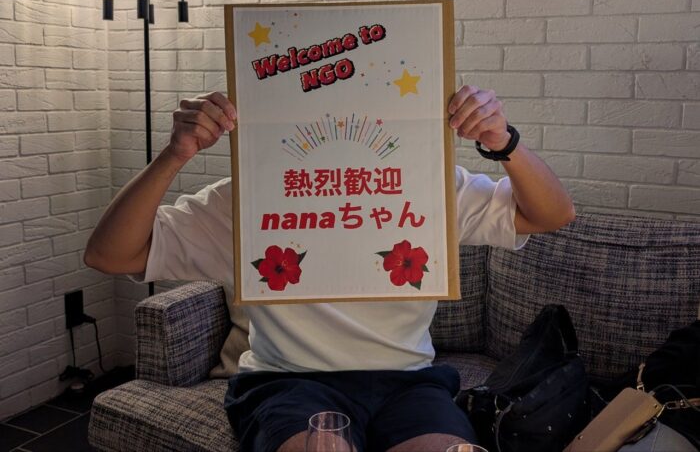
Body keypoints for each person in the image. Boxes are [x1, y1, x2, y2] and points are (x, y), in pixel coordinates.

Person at [85, 85, 575, 452]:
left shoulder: (432, 186)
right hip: (288, 381)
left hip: (408, 381)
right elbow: (110, 255)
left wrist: (503, 141)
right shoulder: (246, 198)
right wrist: (175, 154)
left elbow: (551, 214)